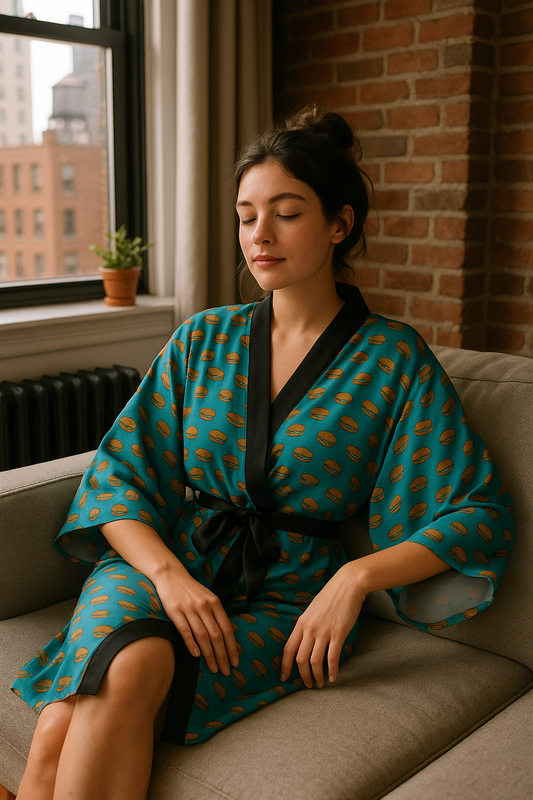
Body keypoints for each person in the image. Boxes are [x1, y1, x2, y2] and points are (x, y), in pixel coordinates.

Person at [12, 106, 514, 800]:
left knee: (83, 703)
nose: (260, 235)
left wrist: (355, 578)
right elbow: (118, 476)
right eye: (247, 215)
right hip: (167, 563)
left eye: (285, 213)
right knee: (115, 672)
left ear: (339, 225)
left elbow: (476, 512)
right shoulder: (202, 339)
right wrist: (168, 576)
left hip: (283, 598)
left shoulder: (393, 359)